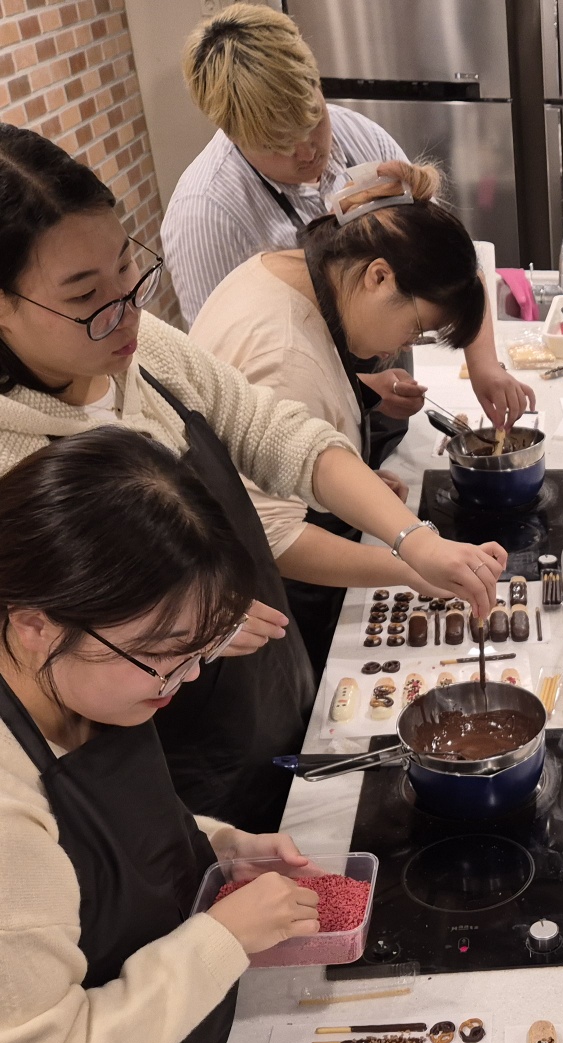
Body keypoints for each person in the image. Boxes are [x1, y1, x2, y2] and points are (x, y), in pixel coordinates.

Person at [0, 124, 506, 831]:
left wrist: (414, 542)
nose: (127, 311)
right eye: (86, 296)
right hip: (168, 753)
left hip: (264, 686)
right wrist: (181, 627)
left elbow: (280, 435)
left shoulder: (145, 349)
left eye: (127, 269)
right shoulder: (15, 457)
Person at [0, 427, 323, 1043]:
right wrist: (223, 936)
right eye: (159, 661)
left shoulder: (82, 682)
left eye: (195, 658)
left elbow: (106, 840)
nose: (179, 687)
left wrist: (216, 844)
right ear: (34, 626)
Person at [164, 3, 532, 435]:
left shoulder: (357, 136)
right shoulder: (206, 212)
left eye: (313, 121)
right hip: (292, 421)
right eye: (279, 143)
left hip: (370, 410)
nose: (307, 152)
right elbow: (225, 378)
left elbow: (446, 263)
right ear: (232, 133)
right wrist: (360, 388)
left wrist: (485, 366)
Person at [191, 160, 486, 668]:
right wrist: (407, 564)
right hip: (256, 605)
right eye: (414, 328)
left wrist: (352, 486)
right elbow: (275, 538)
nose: (403, 346)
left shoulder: (283, 269)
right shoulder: (284, 352)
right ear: (378, 276)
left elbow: (286, 424)